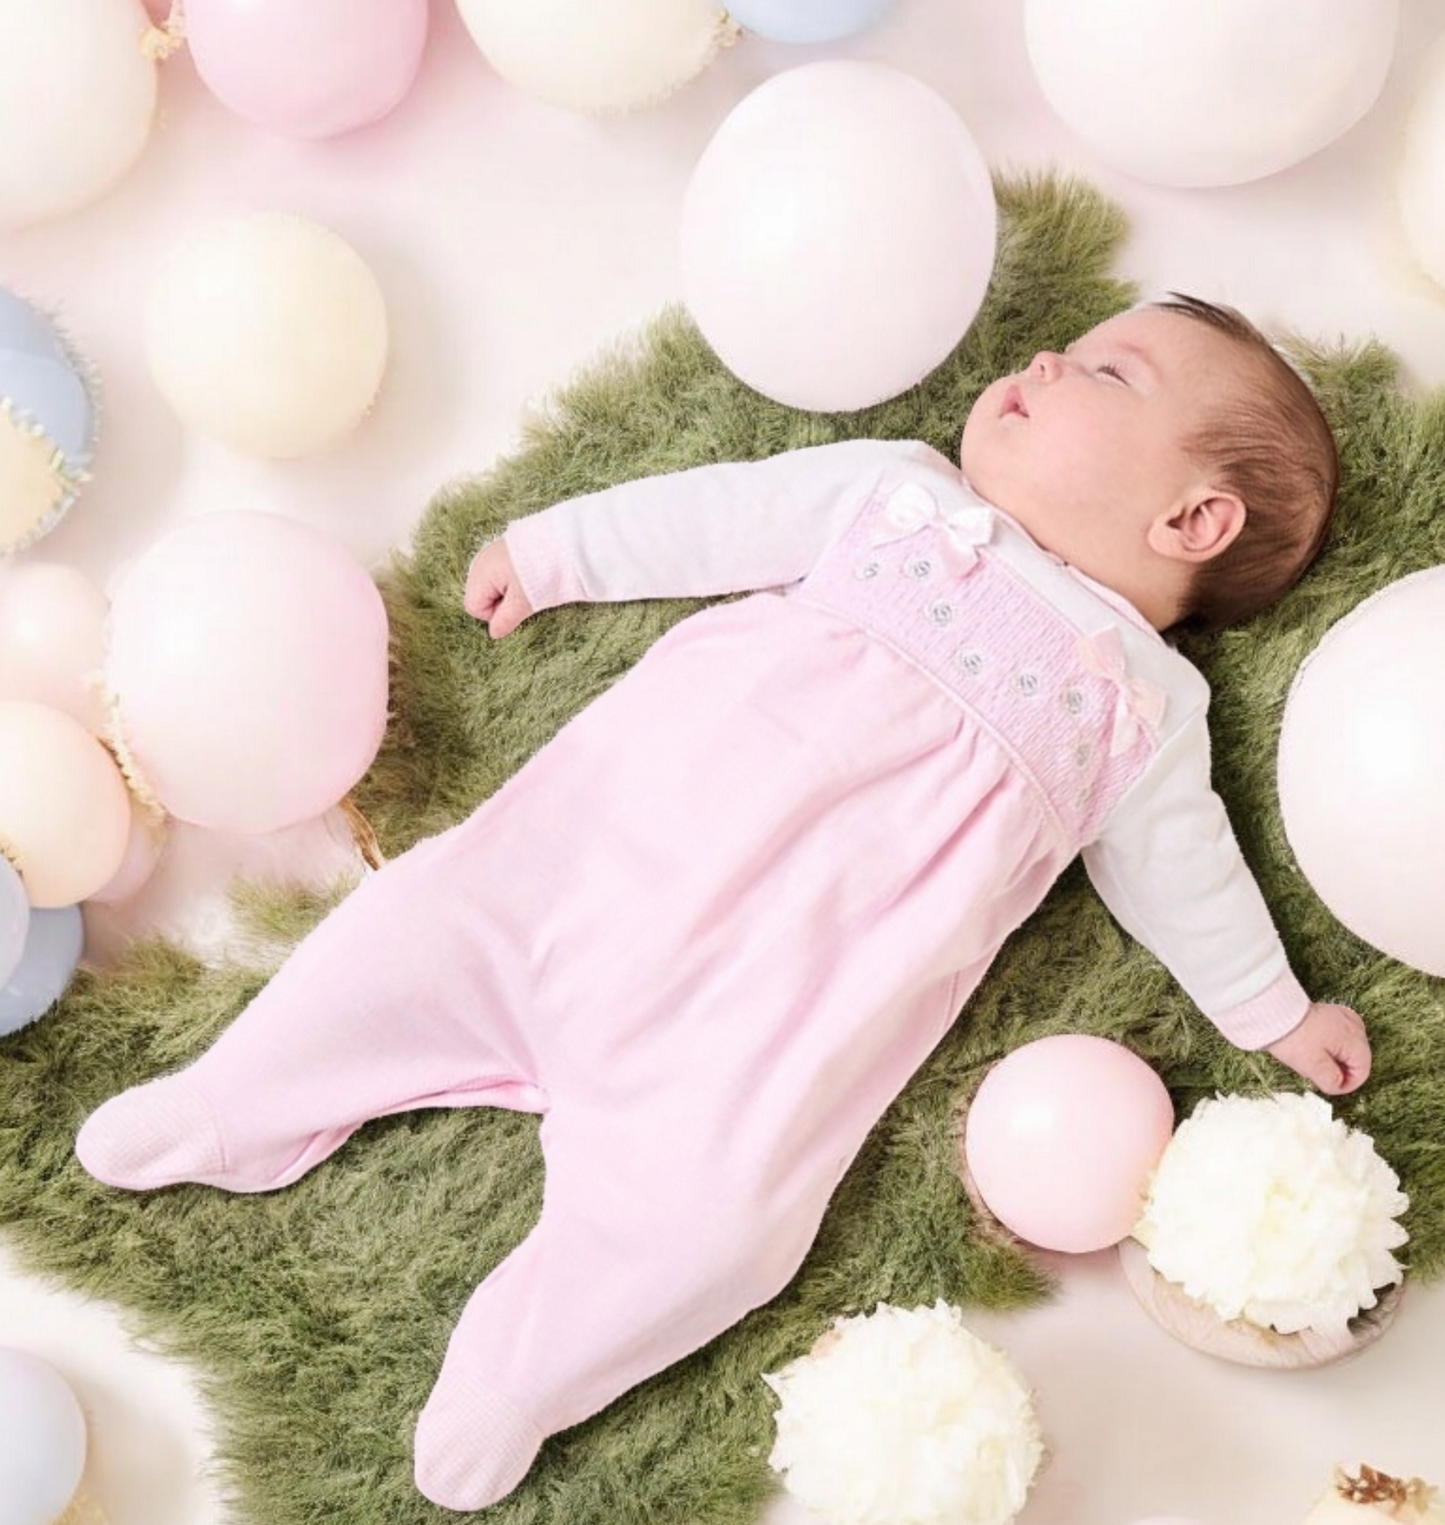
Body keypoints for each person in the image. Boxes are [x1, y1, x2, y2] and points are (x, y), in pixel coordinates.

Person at [76, 294, 1371, 1513]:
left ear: (1193, 523)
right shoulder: (899, 499)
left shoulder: (1139, 706)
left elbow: (1185, 869)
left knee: (730, 1223)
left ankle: (528, 1367)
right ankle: (238, 1097)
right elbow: (724, 515)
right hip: (584, 871)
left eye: (1105, 372)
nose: (1039, 363)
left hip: (768, 1024)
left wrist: (1269, 1007)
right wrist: (560, 549)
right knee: (417, 935)